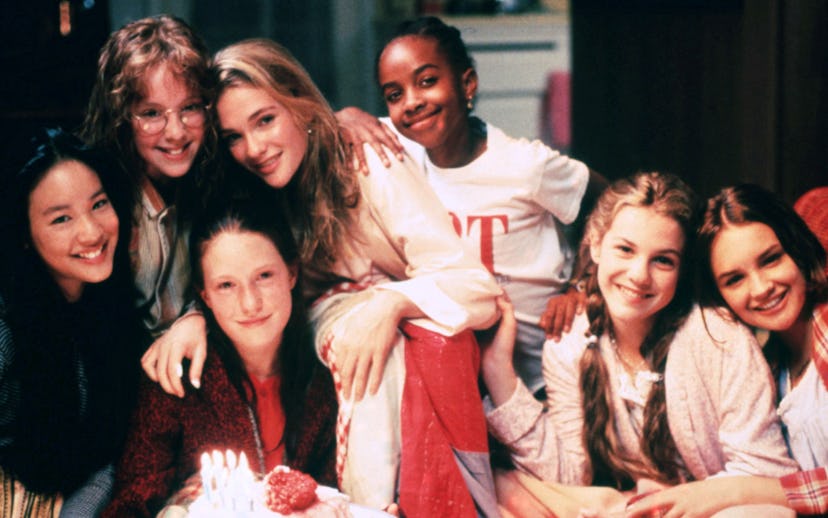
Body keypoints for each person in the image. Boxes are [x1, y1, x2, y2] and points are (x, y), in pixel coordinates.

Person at [208, 38, 502, 516]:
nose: (254, 149)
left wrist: (389, 304)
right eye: (233, 137)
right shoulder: (245, 192)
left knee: (418, 345)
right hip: (322, 318)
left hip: (409, 314)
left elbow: (475, 287)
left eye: (265, 120)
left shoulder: (368, 160)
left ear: (300, 104)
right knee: (375, 355)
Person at [480, 172, 798, 517]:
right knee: (503, 486)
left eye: (663, 260)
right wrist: (499, 372)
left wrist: (676, 500)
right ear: (596, 244)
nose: (639, 275)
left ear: (681, 269)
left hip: (709, 509)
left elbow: (765, 472)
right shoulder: (570, 342)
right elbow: (569, 475)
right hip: (628, 507)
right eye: (625, 250)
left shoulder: (717, 336)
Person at [370, 16, 607, 393]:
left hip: (543, 376)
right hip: (463, 378)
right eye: (394, 94)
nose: (411, 102)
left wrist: (581, 282)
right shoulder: (401, 158)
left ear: (467, 83)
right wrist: (347, 118)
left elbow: (613, 203)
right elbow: (324, 128)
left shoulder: (524, 165)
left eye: (427, 81)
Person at [102, 193, 337, 518]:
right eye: (226, 285)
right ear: (205, 296)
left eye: (264, 276)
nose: (250, 303)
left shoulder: (325, 376)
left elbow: (335, 497)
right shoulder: (176, 380)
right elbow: (128, 508)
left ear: (292, 273)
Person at [627, 184, 828, 517]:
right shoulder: (767, 365)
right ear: (719, 297)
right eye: (734, 279)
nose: (761, 288)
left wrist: (740, 490)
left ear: (797, 249)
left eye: (771, 259)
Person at [0, 128, 145, 516]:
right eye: (61, 218)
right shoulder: (7, 329)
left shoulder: (111, 305)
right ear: (25, 234)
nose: (91, 232)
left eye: (99, 204)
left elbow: (107, 459)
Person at [78, 14, 215, 398]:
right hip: (118, 388)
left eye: (190, 107)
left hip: (200, 372)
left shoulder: (219, 177)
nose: (176, 131)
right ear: (121, 117)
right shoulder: (99, 198)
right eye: (151, 113)